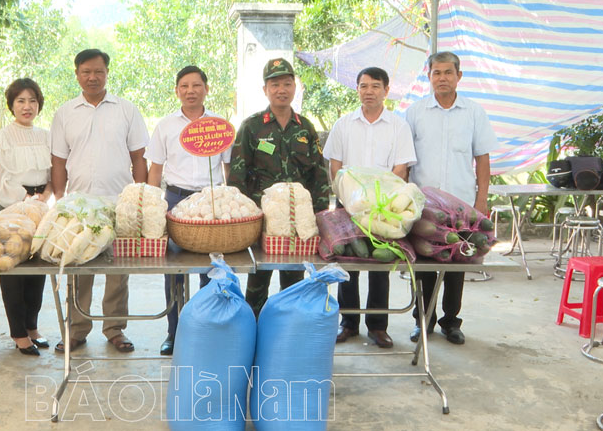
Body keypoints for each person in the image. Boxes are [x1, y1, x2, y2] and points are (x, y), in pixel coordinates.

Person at [50, 49, 149, 353]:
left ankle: (115, 329)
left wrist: (140, 196)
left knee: (118, 272)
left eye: (98, 71)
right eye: (86, 72)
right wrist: (59, 200)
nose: (92, 77)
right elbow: (58, 161)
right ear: (77, 74)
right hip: (79, 206)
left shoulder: (126, 110)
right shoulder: (65, 113)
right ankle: (77, 330)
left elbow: (139, 157)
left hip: (119, 202)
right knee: (80, 268)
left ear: (107, 73)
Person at [406, 51, 498, 345]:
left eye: (448, 72)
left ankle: (450, 322)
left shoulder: (473, 112)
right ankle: (423, 322)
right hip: (424, 205)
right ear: (429, 76)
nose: (442, 78)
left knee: (457, 263)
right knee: (423, 264)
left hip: (462, 207)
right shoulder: (415, 112)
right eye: (436, 73)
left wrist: (481, 199)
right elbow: (405, 160)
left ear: (459, 76)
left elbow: (482, 159)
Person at [228, 57, 331, 317]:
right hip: (262, 218)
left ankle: (287, 332)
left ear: (295, 87)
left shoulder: (305, 127)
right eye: (275, 84)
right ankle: (252, 327)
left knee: (293, 279)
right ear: (265, 89)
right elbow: (238, 176)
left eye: (287, 83)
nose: (281, 90)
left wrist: (319, 217)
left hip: (298, 220)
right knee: (258, 278)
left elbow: (318, 175)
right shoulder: (251, 127)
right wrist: (244, 218)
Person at [324, 67, 416, 349]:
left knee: (380, 263)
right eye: (363, 86)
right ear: (357, 90)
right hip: (349, 204)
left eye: (375, 86)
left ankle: (378, 326)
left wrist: (381, 199)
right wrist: (346, 197)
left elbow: (401, 168)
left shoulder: (398, 126)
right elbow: (334, 166)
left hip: (385, 207)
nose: (369, 91)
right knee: (348, 263)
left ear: (386, 90)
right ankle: (348, 322)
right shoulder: (344, 124)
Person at [145, 65, 231, 355]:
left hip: (213, 203)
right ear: (177, 91)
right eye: (184, 86)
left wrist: (232, 201)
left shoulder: (220, 125)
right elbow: (155, 169)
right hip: (176, 200)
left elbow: (228, 167)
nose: (190, 91)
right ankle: (175, 332)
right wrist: (154, 206)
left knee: (213, 269)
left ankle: (208, 332)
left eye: (196, 85)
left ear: (207, 88)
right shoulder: (166, 125)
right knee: (174, 270)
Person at [0, 78, 53, 356]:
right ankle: (18, 333)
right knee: (12, 269)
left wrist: (43, 198)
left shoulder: (47, 136)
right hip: (11, 207)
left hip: (41, 206)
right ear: (11, 105)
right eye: (21, 101)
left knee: (38, 270)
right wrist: (24, 201)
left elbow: (55, 173)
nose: (27, 107)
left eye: (33, 101)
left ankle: (33, 326)